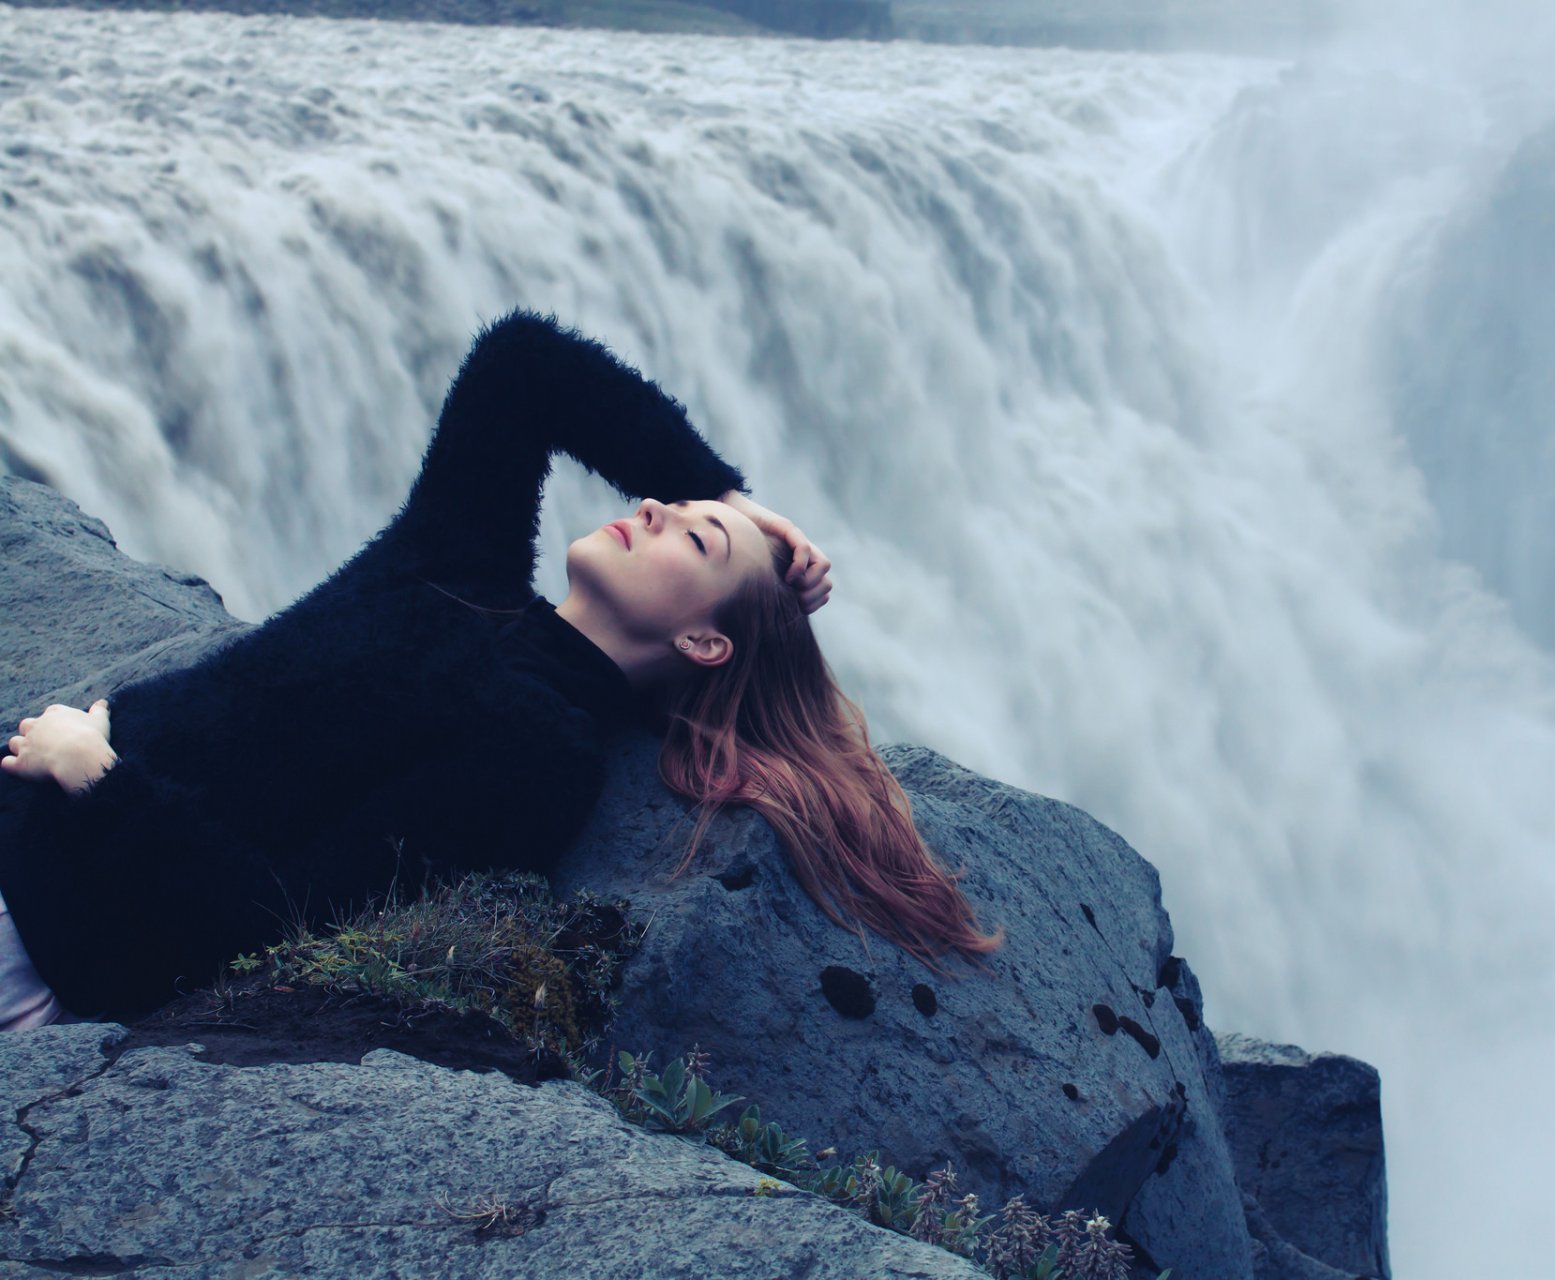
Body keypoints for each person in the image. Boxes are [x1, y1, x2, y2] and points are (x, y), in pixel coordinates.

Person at [0, 311, 999, 1030]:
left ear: (704, 644)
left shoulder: (539, 749)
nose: (651, 506)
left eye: (692, 540)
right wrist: (729, 493)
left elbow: (271, 914)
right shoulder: (458, 558)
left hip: (51, 920)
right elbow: (522, 364)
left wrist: (99, 777)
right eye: (668, 501)